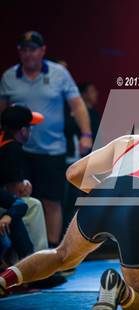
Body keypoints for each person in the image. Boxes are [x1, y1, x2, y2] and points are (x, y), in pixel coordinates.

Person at [0, 101, 139, 310]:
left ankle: (4, 278)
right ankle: (118, 289)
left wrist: (109, 198)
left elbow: (73, 173)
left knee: (62, 256)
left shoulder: (128, 141)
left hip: (106, 191)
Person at [0, 31, 93, 247]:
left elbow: (77, 105)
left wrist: (86, 135)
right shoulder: (9, 77)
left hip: (52, 150)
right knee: (19, 198)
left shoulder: (59, 74)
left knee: (52, 201)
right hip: (18, 151)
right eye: (24, 49)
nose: (28, 54)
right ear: (19, 52)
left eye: (32, 49)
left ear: (42, 51)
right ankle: (22, 252)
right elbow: (2, 111)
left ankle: (52, 252)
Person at [0, 105, 49, 252]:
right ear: (22, 130)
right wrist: (24, 185)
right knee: (33, 205)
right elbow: (16, 191)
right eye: (30, 127)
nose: (30, 131)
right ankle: (40, 263)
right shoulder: (13, 149)